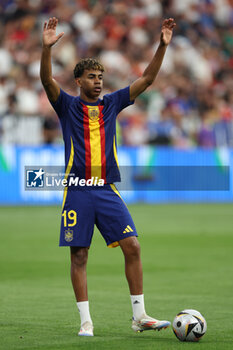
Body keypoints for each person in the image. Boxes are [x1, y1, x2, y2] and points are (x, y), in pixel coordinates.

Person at [40, 16, 175, 337]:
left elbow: (147, 79)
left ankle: (140, 316)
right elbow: (46, 81)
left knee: (133, 246)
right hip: (77, 189)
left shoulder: (112, 103)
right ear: (79, 81)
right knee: (80, 254)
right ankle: (86, 321)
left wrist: (162, 46)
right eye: (91, 77)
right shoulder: (66, 106)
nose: (98, 81)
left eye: (100, 76)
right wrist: (45, 50)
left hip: (106, 189)